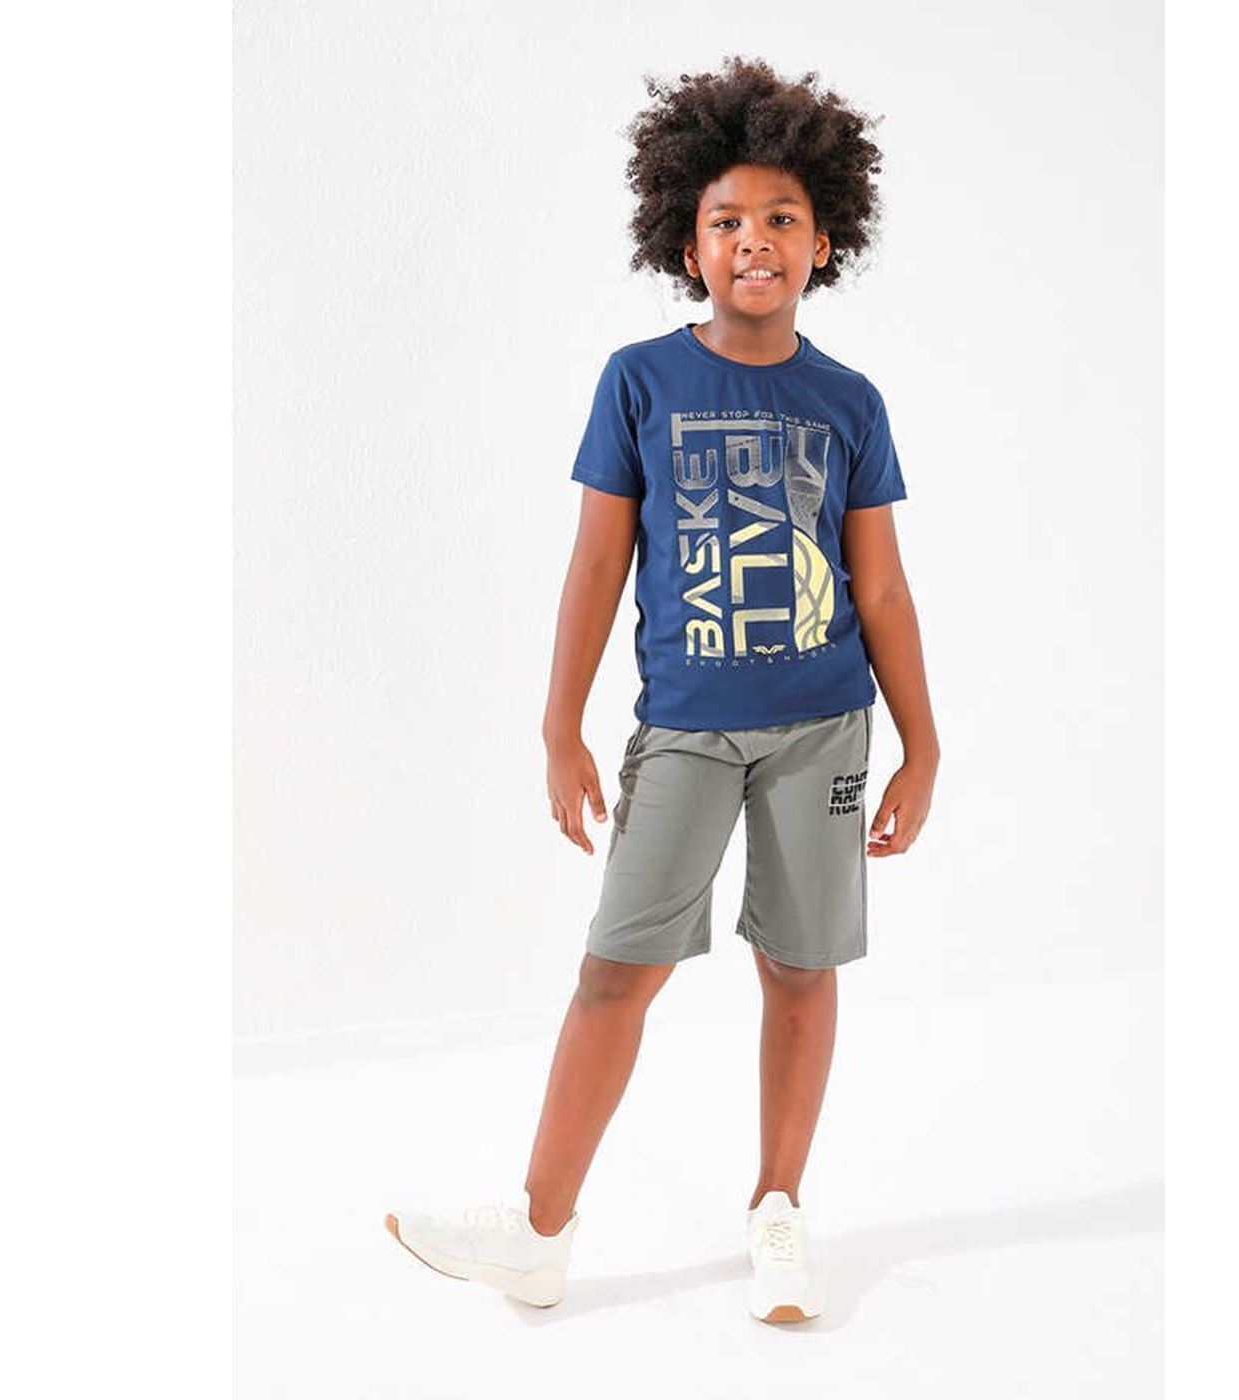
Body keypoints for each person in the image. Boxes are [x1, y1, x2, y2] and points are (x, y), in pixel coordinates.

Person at [385, 54, 939, 1322]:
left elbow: (882, 585)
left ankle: (777, 1207)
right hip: (683, 730)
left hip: (822, 730)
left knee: (799, 967)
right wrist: (557, 726)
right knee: (614, 971)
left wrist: (922, 745)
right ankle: (538, 1229)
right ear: (686, 245)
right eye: (726, 220)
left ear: (823, 240)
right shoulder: (638, 380)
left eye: (781, 218)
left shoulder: (848, 402)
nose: (754, 240)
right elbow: (596, 562)